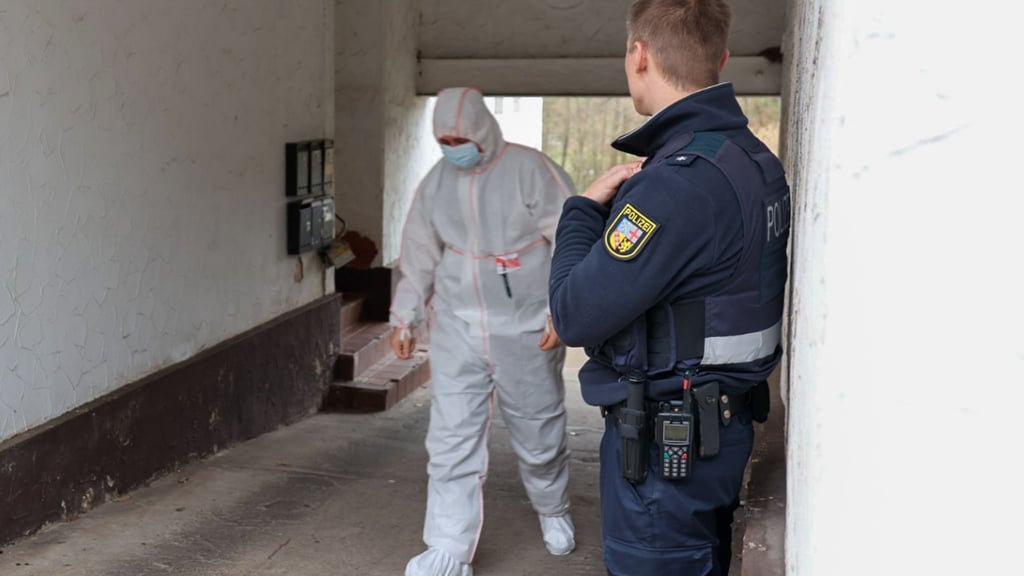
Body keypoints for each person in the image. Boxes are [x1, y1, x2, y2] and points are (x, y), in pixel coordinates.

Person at [548, 1, 791, 574]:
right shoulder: (753, 160)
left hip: (664, 456)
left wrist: (581, 213)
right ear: (722, 59)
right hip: (719, 431)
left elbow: (575, 315)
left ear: (639, 55)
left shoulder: (675, 185)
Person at [390, 87, 577, 576]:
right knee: (451, 437)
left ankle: (553, 508)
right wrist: (405, 315)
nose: (454, 147)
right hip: (456, 323)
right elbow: (418, 254)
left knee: (538, 429)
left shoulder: (530, 171)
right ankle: (448, 547)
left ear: (482, 129)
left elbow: (572, 240)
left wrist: (563, 312)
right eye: (444, 139)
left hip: (526, 324)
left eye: (460, 137)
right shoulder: (436, 184)